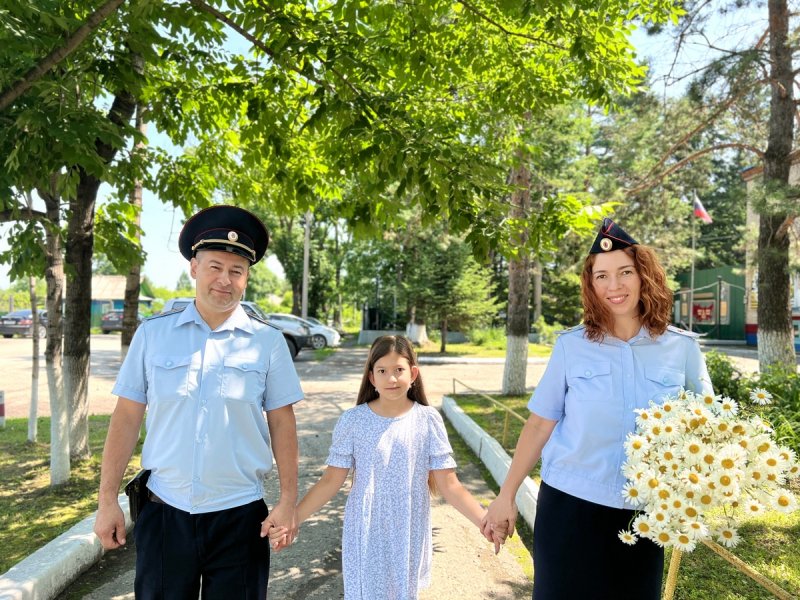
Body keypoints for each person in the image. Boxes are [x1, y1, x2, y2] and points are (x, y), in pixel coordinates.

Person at [483, 218, 713, 599]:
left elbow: (707, 425)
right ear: (590, 284)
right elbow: (540, 424)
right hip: (570, 506)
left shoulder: (682, 348)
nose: (614, 286)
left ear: (644, 275)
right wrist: (505, 497)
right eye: (601, 276)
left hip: (644, 514)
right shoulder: (571, 346)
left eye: (624, 272)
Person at [93, 205, 304, 599]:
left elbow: (282, 423)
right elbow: (125, 419)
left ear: (247, 277)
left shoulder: (268, 343)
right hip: (165, 511)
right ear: (194, 268)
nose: (225, 280)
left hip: (240, 516)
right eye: (215, 267)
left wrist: (288, 501)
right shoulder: (153, 336)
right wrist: (107, 502)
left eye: (236, 271)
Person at [269, 335, 506, 599]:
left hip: (408, 528)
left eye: (399, 370)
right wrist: (294, 519)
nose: (391, 379)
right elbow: (330, 482)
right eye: (382, 371)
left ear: (413, 373)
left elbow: (450, 485)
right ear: (371, 377)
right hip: (366, 528)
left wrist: (483, 521)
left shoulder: (428, 420)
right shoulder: (354, 421)